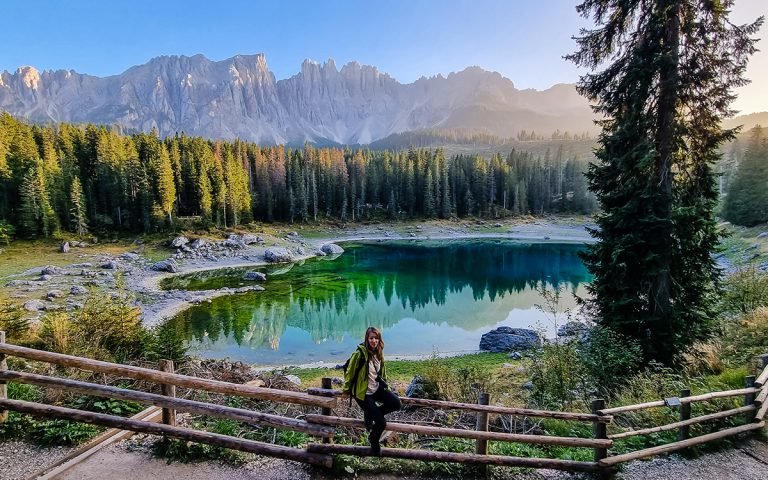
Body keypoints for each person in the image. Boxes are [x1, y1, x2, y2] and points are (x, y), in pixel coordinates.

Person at [342, 326, 402, 456]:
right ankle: (373, 440)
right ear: (367, 339)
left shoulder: (379, 352)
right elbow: (350, 373)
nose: (374, 341)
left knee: (396, 403)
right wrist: (346, 390)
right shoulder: (359, 354)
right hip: (363, 393)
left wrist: (386, 386)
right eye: (371, 338)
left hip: (376, 388)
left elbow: (382, 371)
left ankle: (370, 414)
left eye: (376, 338)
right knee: (381, 423)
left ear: (379, 339)